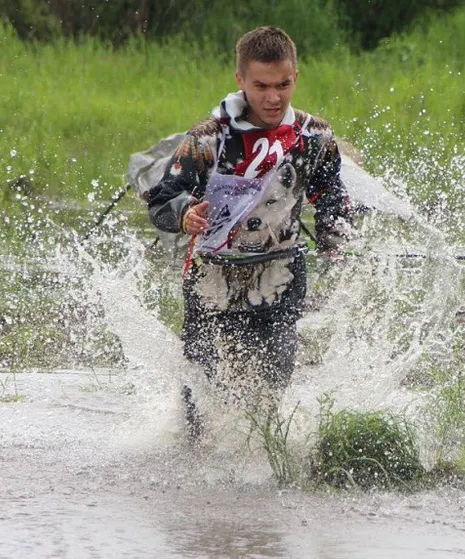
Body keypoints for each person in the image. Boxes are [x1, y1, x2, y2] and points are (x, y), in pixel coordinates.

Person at [144, 26, 353, 434]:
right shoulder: (207, 140)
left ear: (296, 76)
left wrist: (336, 233)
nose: (274, 98)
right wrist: (185, 213)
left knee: (270, 383)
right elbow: (159, 201)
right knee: (201, 393)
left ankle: (261, 461)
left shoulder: (317, 136)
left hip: (281, 273)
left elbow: (331, 196)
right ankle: (194, 461)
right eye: (261, 86)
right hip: (212, 275)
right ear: (240, 81)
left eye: (283, 85)